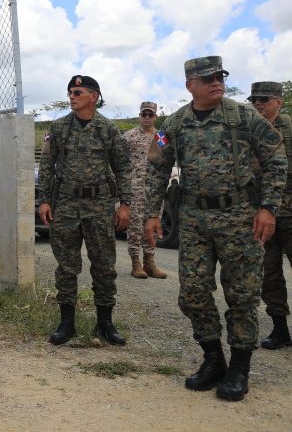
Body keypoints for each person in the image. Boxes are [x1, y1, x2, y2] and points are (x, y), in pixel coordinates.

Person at [144, 57, 286, 402]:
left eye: (220, 77)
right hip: (193, 219)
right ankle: (213, 359)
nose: (216, 83)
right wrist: (151, 213)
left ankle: (239, 367)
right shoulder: (174, 123)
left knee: (242, 294)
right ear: (190, 85)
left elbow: (275, 158)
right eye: (207, 79)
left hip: (240, 217)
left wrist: (268, 208)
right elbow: (157, 167)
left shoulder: (244, 116)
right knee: (192, 292)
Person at [37, 75, 131, 347]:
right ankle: (66, 323)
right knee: (66, 266)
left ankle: (105, 323)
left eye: (77, 92)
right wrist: (44, 200)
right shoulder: (58, 127)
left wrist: (125, 205)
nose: (71, 96)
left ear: (94, 96)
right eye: (70, 92)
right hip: (66, 204)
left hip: (99, 206)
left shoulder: (108, 129)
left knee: (104, 265)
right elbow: (47, 165)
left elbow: (123, 168)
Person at [247, 81, 292, 350]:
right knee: (269, 274)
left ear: (279, 101)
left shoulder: (289, 128)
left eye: (264, 99)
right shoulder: (248, 130)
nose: (258, 104)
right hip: (261, 214)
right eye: (254, 99)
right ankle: (280, 328)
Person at [122, 102, 168, 279]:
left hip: (155, 190)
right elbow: (119, 162)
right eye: (144, 114)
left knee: (153, 224)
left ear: (155, 117)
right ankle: (136, 263)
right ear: (139, 116)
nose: (147, 117)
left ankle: (149, 262)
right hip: (135, 188)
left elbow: (167, 157)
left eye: (150, 115)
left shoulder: (161, 137)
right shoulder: (129, 136)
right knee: (135, 226)